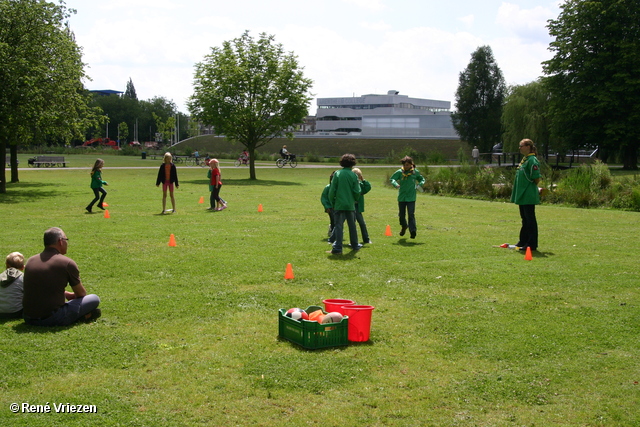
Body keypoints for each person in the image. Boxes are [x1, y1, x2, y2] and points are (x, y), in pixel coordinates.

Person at [22, 228, 101, 326]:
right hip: (52, 318)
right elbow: (81, 293)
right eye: (66, 240)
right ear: (60, 241)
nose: (67, 243)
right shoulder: (67, 263)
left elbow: (40, 287)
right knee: (94, 298)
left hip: (28, 317)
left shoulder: (31, 261)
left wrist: (65, 294)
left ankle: (82, 316)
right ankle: (80, 317)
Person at [511, 138, 541, 251]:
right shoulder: (525, 159)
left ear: (528, 147)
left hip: (528, 194)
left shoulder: (532, 160)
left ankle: (532, 243)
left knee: (530, 219)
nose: (520, 148)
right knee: (524, 219)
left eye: (522, 146)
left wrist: (531, 188)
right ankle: (523, 241)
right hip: (522, 194)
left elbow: (536, 177)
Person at [328, 154, 361, 254]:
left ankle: (338, 247)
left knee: (338, 226)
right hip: (350, 204)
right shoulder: (354, 175)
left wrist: (332, 202)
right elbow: (357, 191)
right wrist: (354, 200)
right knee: (352, 225)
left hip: (339, 204)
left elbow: (332, 190)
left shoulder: (338, 174)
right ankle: (355, 245)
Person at [389, 156, 426, 239]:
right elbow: (392, 179)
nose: (406, 166)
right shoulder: (399, 172)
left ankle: (413, 231)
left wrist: (420, 185)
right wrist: (396, 184)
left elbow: (422, 179)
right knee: (401, 215)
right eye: (405, 165)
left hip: (411, 197)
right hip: (402, 197)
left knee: (411, 214)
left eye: (408, 165)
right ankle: (404, 226)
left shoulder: (415, 172)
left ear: (411, 165)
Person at [0, 252, 25, 319]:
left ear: (7, 264)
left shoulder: (0, 277)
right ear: (22, 267)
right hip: (16, 312)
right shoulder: (23, 278)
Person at [352, 168, 372, 244]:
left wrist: (363, 180)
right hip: (349, 206)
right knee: (341, 223)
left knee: (362, 223)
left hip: (357, 207)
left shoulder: (361, 185)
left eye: (359, 176)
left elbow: (368, 187)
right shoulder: (350, 185)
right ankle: (333, 238)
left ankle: (366, 239)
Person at [321, 171, 336, 242]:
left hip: (338, 206)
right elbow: (323, 198)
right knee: (333, 220)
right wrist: (327, 206)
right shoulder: (328, 187)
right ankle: (333, 233)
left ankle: (335, 232)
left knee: (338, 221)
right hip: (330, 207)